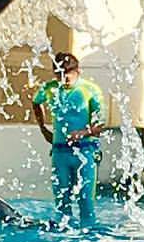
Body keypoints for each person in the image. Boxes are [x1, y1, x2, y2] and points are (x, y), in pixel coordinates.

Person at [33, 52, 105, 228]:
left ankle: (88, 240)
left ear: (77, 71)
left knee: (85, 202)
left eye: (68, 74)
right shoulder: (50, 88)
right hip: (60, 152)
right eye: (59, 74)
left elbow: (101, 125)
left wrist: (82, 133)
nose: (64, 78)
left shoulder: (90, 90)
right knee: (62, 203)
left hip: (85, 152)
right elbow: (36, 102)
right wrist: (43, 128)